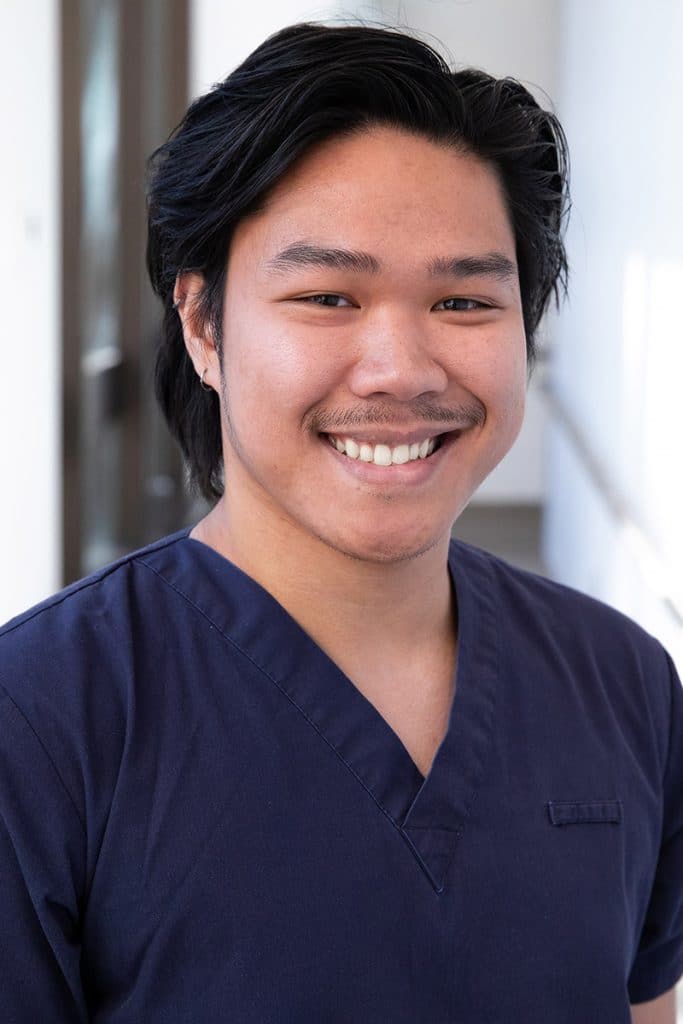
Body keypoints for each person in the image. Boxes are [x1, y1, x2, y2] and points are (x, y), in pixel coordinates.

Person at [1, 21, 681, 1024]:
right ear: (202, 325)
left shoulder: (622, 681)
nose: (401, 368)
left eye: (460, 300)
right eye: (327, 294)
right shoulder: (45, 719)